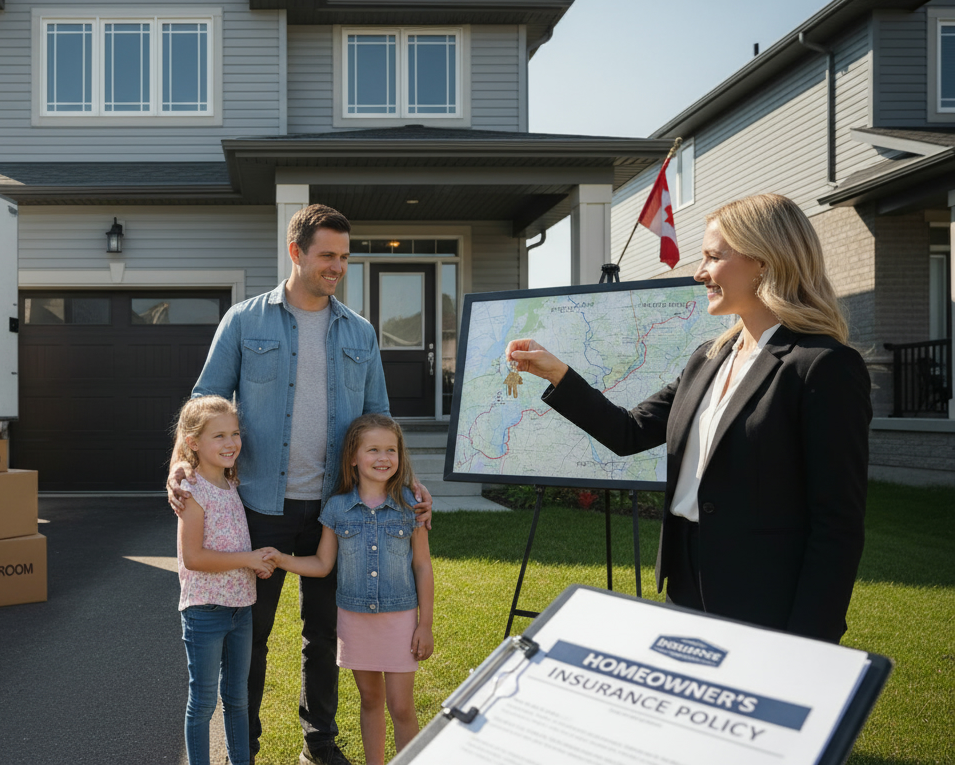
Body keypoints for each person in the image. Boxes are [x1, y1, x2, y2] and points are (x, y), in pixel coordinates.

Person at [508, 193, 870, 644]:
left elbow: (837, 523)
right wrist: (557, 373)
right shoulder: (709, 357)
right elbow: (630, 431)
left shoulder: (823, 365)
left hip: (764, 597)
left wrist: (812, 638)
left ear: (764, 261)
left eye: (713, 257)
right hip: (685, 582)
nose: (699, 272)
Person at [167, 204, 433, 765]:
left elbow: (379, 416)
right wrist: (179, 462)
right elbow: (203, 399)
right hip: (258, 504)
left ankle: (320, 739)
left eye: (345, 257)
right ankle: (248, 742)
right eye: (327, 256)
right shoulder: (244, 321)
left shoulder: (359, 331)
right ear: (296, 252)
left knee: (324, 631)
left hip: (336, 508)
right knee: (252, 635)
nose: (338, 266)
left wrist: (407, 482)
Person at [265, 414, 435, 765]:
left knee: (401, 706)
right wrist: (282, 559)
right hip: (355, 622)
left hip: (400, 621)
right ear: (353, 458)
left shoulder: (410, 507)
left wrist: (425, 624)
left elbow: (422, 565)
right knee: (370, 700)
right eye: (373, 449)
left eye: (391, 450)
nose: (383, 457)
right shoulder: (337, 508)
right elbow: (322, 565)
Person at [171, 396, 279, 765]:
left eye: (234, 433)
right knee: (202, 703)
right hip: (205, 612)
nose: (231, 442)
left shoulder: (232, 484)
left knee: (237, 700)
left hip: (241, 609)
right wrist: (248, 559)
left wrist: (254, 565)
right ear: (193, 443)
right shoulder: (191, 491)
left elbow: (232, 543)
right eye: (219, 436)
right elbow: (194, 558)